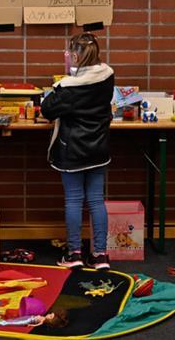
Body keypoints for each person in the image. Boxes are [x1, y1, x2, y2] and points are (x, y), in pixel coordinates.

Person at [40, 33, 114, 270]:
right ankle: (100, 254)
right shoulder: (107, 76)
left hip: (72, 150)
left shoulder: (70, 88)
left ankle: (74, 254)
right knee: (96, 201)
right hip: (99, 148)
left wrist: (67, 73)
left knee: (74, 200)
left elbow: (47, 110)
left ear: (73, 56)